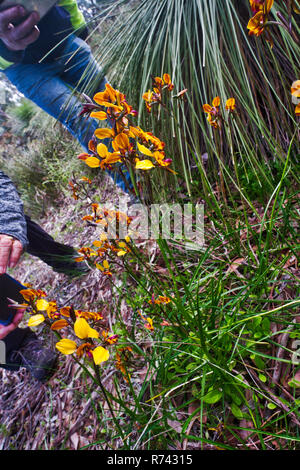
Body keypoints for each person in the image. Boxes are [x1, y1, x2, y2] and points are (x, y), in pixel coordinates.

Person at [0, 0, 128, 382]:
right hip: (24, 68)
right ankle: (18, 345)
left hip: (59, 39)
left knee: (114, 106)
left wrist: (74, 27)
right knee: (82, 118)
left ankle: (154, 184)